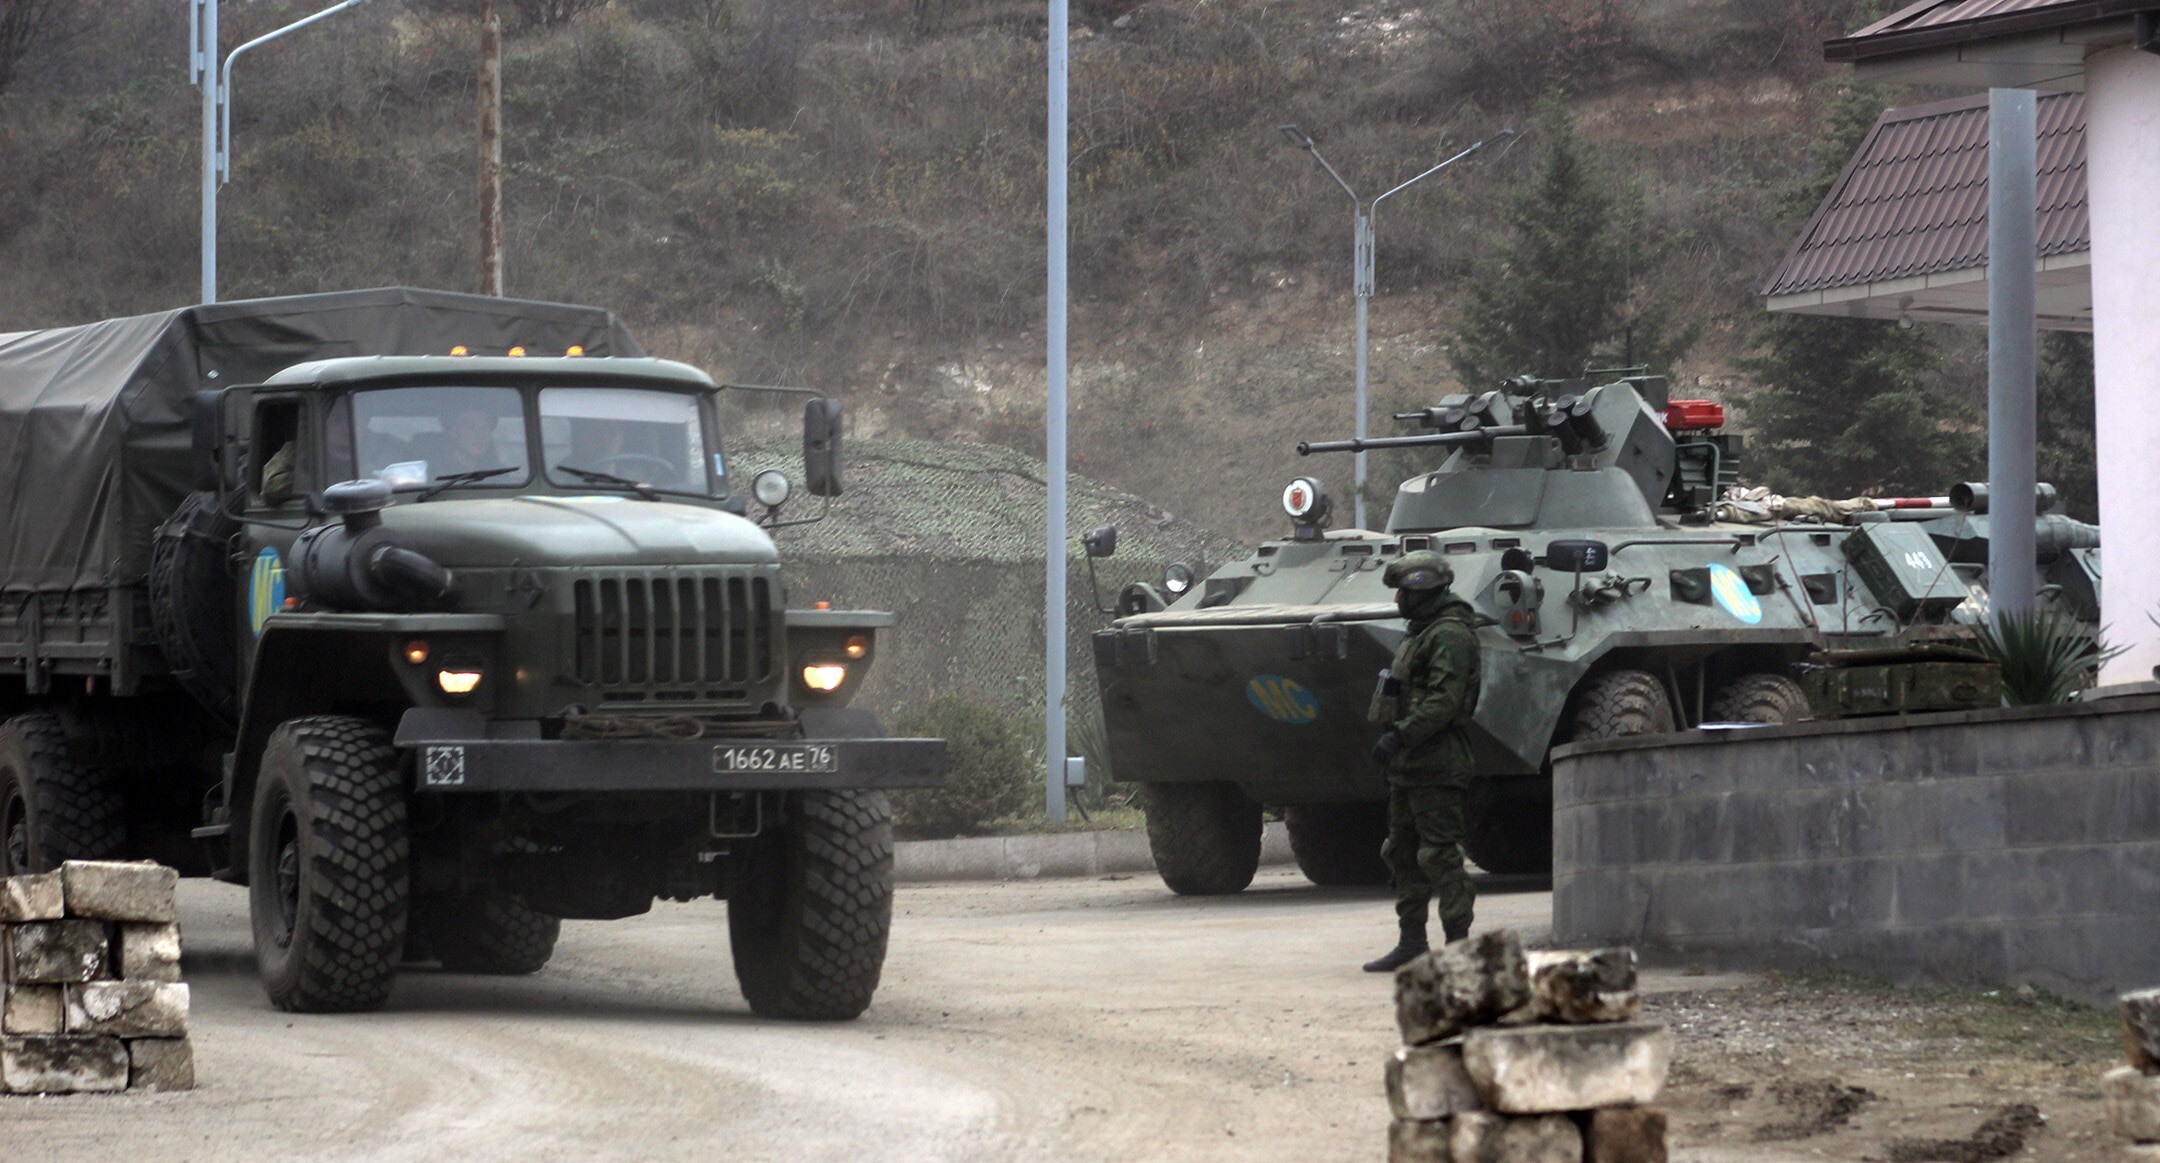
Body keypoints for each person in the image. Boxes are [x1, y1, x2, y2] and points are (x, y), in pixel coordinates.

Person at [1362, 549, 1483, 973]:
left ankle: (1458, 948)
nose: (1398, 601)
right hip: (1409, 765)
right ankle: (1412, 941)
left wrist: (1400, 735)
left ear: (1425, 592)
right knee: (1402, 853)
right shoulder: (1422, 632)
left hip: (1437, 763)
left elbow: (1444, 701)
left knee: (1439, 856)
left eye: (1405, 593)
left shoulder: (1449, 635)